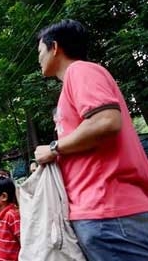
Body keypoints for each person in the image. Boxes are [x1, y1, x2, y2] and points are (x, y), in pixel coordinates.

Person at [34, 19, 148, 260]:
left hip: (108, 211)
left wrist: (54, 148)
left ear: (54, 47)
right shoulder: (72, 84)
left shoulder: (80, 70)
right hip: (104, 213)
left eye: (40, 51)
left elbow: (105, 121)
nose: (39, 59)